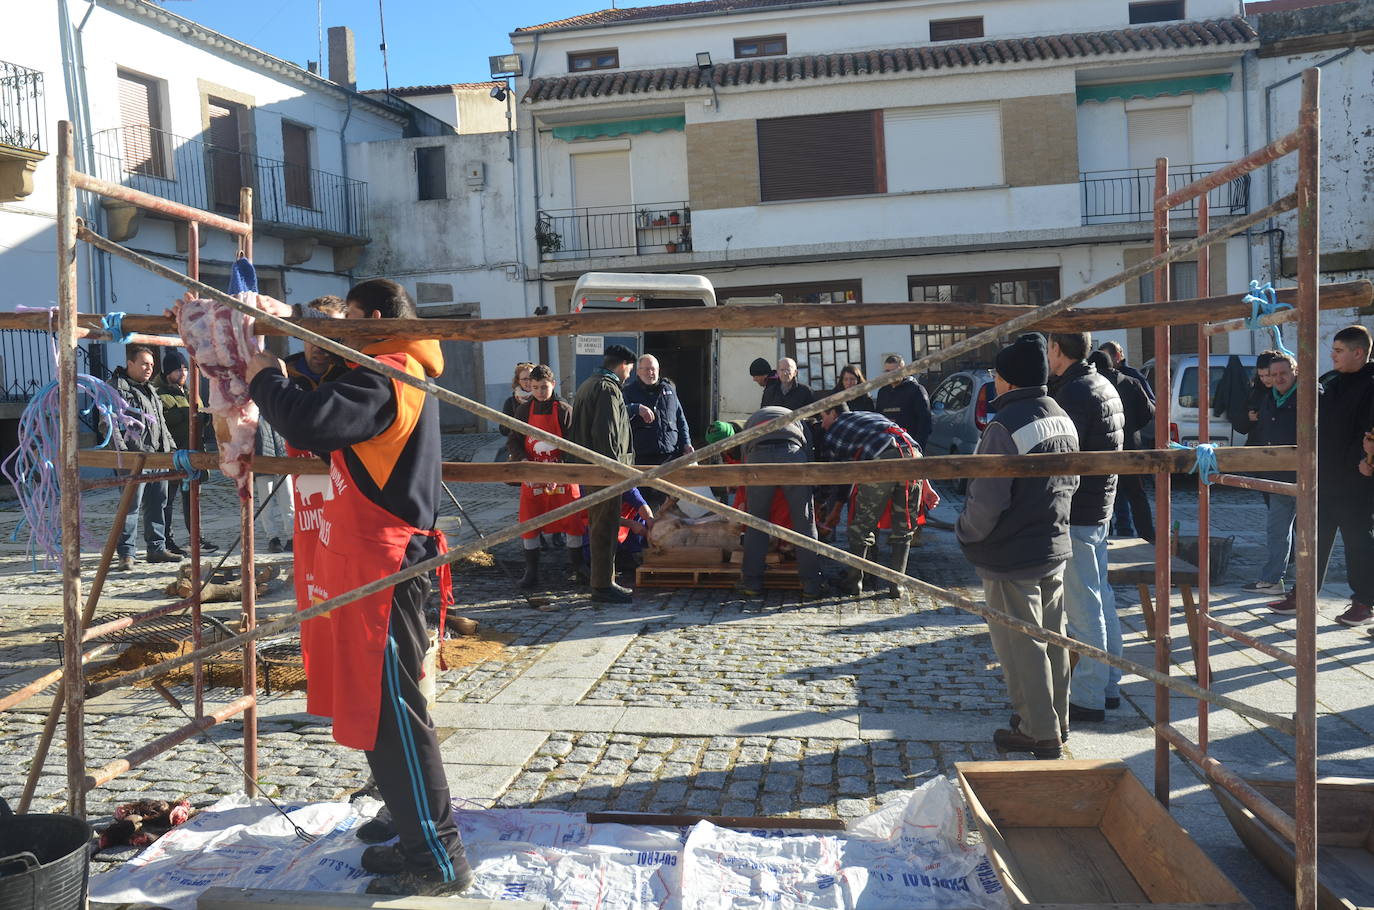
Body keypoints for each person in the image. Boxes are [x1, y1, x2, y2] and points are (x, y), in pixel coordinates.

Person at [246, 278, 472, 897]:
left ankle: (439, 858)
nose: (340, 330)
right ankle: (412, 831)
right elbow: (324, 392)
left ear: (372, 317)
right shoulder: (382, 367)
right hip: (373, 562)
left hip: (388, 567)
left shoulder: (389, 371)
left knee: (397, 717)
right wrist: (287, 355)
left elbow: (314, 419)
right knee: (379, 715)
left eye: (347, 319)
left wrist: (266, 377)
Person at [957, 333, 1079, 760]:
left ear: (1007, 381)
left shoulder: (1005, 426)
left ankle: (1038, 730)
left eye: (996, 374)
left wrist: (965, 532)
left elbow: (987, 500)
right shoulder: (1060, 415)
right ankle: (1054, 719)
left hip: (1011, 553)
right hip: (1053, 542)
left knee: (1021, 645)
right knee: (1053, 640)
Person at [1271, 325, 1374, 626]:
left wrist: (1365, 460)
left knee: (1358, 542)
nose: (1332, 355)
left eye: (1339, 351)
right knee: (1311, 538)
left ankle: (1364, 602)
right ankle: (1302, 595)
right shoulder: (1329, 380)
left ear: (1358, 353)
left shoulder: (1371, 384)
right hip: (1322, 476)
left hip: (1357, 480)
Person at [1048, 331, 1124, 723]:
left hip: (1080, 509)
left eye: (1049, 348)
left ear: (1056, 349)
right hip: (1098, 506)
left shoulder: (1077, 392)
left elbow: (1064, 454)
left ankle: (1090, 694)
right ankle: (1108, 684)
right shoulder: (1101, 383)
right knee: (1100, 598)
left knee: (1084, 606)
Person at [819, 403, 921, 599]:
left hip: (882, 459)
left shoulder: (835, 431)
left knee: (861, 528)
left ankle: (854, 582)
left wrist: (826, 505)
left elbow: (837, 477)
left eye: (823, 417)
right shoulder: (868, 417)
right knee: (904, 527)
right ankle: (896, 586)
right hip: (913, 454)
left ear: (833, 413)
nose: (822, 424)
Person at [506, 364, 586, 589]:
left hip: (563, 474)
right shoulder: (523, 411)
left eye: (544, 387)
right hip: (533, 475)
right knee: (530, 522)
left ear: (553, 385)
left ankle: (578, 568)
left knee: (572, 521)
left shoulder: (564, 410)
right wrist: (522, 460)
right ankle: (531, 572)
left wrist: (561, 469)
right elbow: (513, 440)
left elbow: (575, 444)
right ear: (530, 387)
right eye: (536, 387)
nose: (540, 392)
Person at [569, 344, 638, 604]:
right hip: (604, 472)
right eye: (629, 370)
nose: (628, 376)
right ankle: (602, 585)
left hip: (594, 470)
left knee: (602, 525)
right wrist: (614, 472)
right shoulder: (607, 389)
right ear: (622, 365)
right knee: (604, 527)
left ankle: (604, 581)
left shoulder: (590, 383)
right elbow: (606, 434)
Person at [736, 405, 824, 599]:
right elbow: (809, 452)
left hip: (758, 457)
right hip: (792, 454)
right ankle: (812, 584)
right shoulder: (797, 417)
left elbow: (744, 453)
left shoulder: (752, 419)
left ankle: (752, 582)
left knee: (756, 522)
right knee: (804, 522)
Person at [110, 344, 180, 571]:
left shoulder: (150, 389)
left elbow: (161, 423)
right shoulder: (116, 388)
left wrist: (171, 450)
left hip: (157, 457)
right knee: (130, 506)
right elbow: (110, 424)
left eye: (151, 364)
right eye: (144, 364)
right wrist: (123, 456)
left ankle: (156, 548)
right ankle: (126, 553)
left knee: (157, 503)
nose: (149, 368)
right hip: (134, 458)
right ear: (130, 363)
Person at [1242, 352, 1299, 596]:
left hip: (1306, 475)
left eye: (1283, 373)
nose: (1278, 378)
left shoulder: (1309, 395)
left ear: (1295, 372)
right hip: (1277, 475)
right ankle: (1273, 579)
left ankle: (1307, 585)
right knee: (1277, 531)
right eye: (1273, 374)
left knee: (1311, 533)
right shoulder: (1268, 398)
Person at [155, 350, 217, 555]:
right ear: (167, 372)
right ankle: (167, 540)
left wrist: (205, 417)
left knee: (193, 499)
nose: (182, 372)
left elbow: (200, 414)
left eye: (184, 368)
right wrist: (188, 414)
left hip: (194, 454)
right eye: (177, 369)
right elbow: (167, 419)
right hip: (174, 454)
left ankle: (196, 538)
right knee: (168, 501)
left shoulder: (190, 391)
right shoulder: (159, 393)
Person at [1089, 350, 1154, 542]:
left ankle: (1103, 536)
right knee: (1137, 495)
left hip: (1102, 449)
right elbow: (1148, 412)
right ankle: (1148, 535)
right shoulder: (1130, 382)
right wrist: (1133, 428)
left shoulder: (1092, 385)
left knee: (1101, 494)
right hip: (1130, 447)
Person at [622, 354, 693, 509]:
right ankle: (643, 533)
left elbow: (680, 419)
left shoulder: (669, 389)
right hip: (641, 457)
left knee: (668, 505)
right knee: (641, 505)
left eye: (653, 369)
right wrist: (635, 409)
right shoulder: (628, 392)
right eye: (646, 369)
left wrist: (686, 443)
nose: (650, 373)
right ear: (638, 372)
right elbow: (617, 414)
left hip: (668, 457)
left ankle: (663, 532)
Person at [283, 295, 351, 390]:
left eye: (333, 334)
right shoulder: (283, 374)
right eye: (315, 331)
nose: (320, 343)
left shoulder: (354, 376)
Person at [875, 354, 932, 453]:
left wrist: (917, 449)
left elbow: (925, 423)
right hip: (887, 449)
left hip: (909, 448)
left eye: (895, 371)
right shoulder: (882, 392)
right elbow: (878, 421)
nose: (891, 375)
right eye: (888, 371)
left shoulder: (916, 390)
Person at [499, 362, 535, 436]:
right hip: (518, 441)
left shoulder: (543, 398)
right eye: (525, 379)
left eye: (531, 378)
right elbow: (504, 430)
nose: (528, 382)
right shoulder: (510, 402)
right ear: (518, 381)